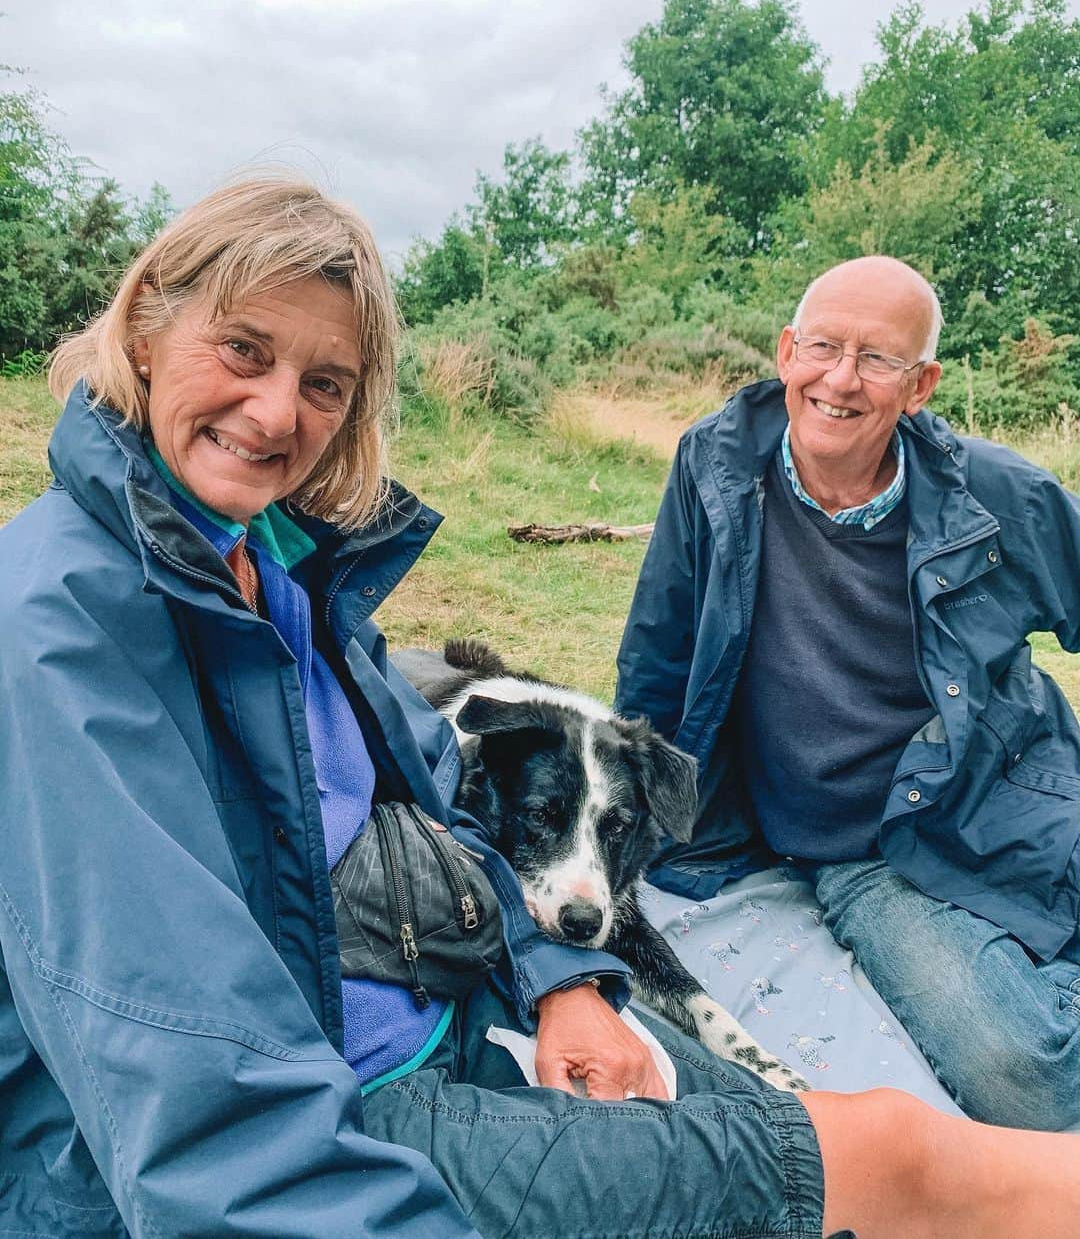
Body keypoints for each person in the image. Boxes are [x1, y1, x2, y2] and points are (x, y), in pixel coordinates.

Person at [2, 190, 1079, 1239]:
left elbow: (438, 794)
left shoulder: (280, 573)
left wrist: (562, 978)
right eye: (243, 350)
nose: (280, 411)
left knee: (825, 1128)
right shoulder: (65, 631)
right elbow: (190, 1091)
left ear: (922, 384)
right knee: (898, 1164)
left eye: (325, 382)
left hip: (490, 989)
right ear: (143, 326)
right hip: (357, 1105)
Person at [617, 254, 1080, 1133]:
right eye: (823, 347)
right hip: (865, 851)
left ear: (920, 387)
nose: (840, 379)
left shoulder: (998, 493)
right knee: (1023, 1074)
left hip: (1009, 801)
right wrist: (643, 823)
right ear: (787, 351)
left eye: (877, 359)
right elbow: (659, 657)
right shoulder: (713, 469)